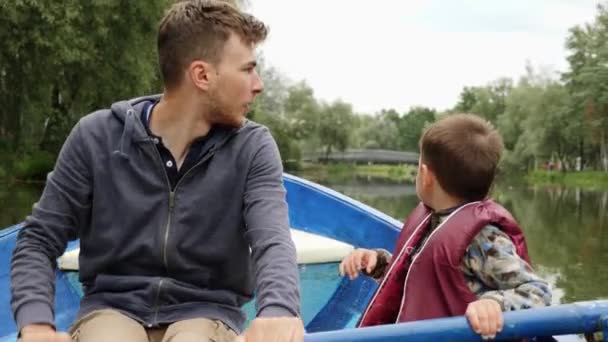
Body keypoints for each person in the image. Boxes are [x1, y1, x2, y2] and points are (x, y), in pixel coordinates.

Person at [10, 1, 304, 341]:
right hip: (111, 310)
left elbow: (273, 242)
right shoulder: (96, 136)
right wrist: (35, 326)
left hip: (206, 312)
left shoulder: (253, 147)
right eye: (247, 69)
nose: (258, 84)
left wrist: (279, 310)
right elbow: (38, 239)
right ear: (202, 76)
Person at [339, 113, 551, 340]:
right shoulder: (434, 220)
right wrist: (378, 263)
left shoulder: (481, 238)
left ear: (425, 175)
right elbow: (424, 277)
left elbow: (538, 291)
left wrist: (494, 303)